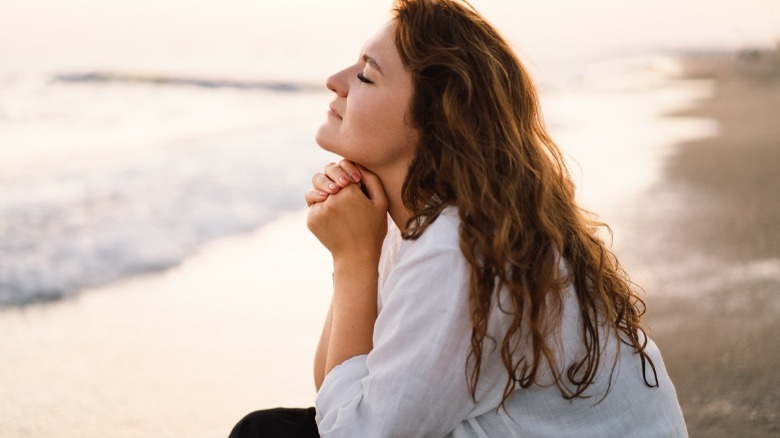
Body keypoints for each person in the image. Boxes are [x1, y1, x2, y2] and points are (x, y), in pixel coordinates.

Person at [229, 0, 688, 436]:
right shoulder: (422, 220)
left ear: (434, 121)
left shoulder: (460, 246)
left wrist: (352, 260)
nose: (335, 81)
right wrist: (358, 253)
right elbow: (336, 392)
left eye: (366, 75)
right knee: (270, 430)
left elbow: (355, 430)